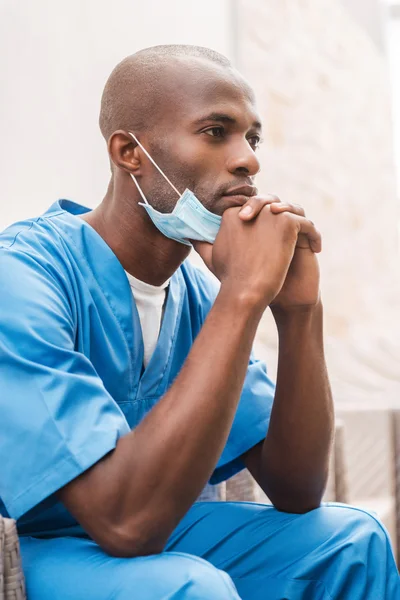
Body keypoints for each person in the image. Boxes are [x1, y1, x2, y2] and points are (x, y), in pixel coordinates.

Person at [0, 45, 398, 600]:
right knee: (189, 587)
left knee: (350, 540)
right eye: (216, 131)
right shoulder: (22, 275)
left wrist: (299, 312)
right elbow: (124, 523)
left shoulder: (193, 294)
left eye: (252, 138)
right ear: (129, 152)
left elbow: (298, 486)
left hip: (161, 534)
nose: (248, 160)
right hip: (43, 545)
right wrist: (240, 295)